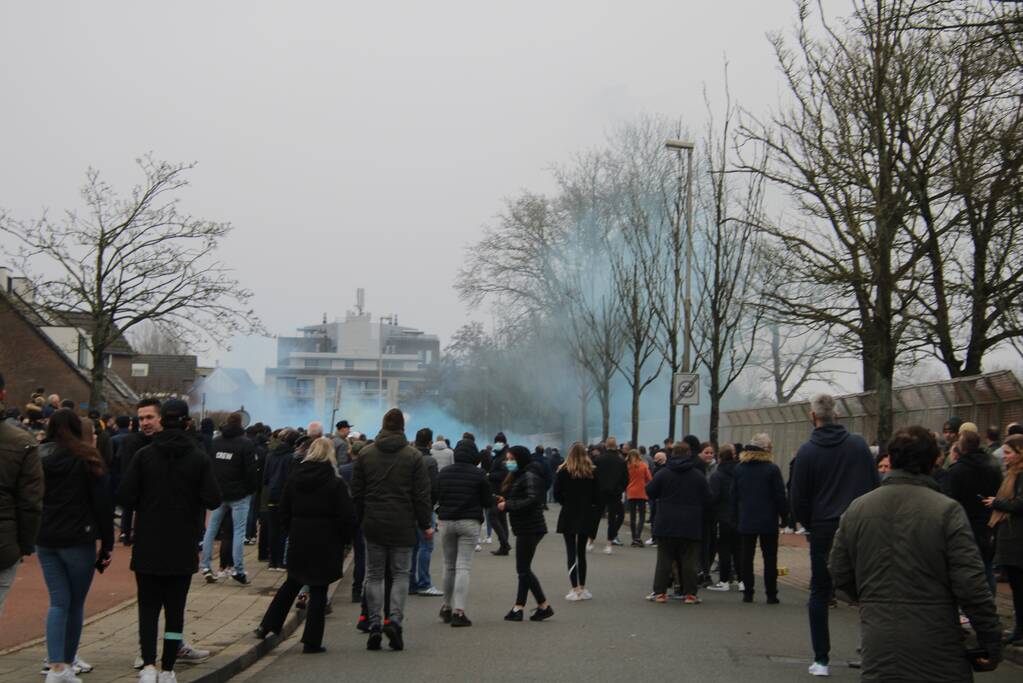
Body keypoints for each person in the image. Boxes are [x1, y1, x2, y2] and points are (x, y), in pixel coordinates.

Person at [830, 426, 1003, 680]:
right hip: (938, 643)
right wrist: (991, 638)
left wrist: (872, 597)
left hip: (879, 641)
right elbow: (972, 586)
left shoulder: (858, 509)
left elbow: (839, 572)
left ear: (891, 458)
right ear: (934, 460)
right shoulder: (947, 511)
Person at [117, 399, 221, 683]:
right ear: (188, 422)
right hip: (182, 543)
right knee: (175, 610)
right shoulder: (199, 458)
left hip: (149, 542)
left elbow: (125, 495)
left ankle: (148, 666)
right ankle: (168, 669)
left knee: (148, 608)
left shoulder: (144, 455)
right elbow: (213, 498)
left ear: (163, 420)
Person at [789, 394, 880, 678]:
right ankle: (871, 653)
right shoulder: (858, 445)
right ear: (837, 415)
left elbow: (798, 497)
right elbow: (874, 485)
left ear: (812, 416)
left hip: (824, 527)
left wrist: (810, 523)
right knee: (870, 590)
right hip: (860, 524)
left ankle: (821, 659)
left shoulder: (806, 452)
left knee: (820, 590)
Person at [34, 410, 113, 683]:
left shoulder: (38, 455)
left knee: (58, 602)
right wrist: (108, 544)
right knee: (75, 603)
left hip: (45, 538)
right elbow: (102, 503)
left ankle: (55, 667)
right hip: (79, 538)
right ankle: (67, 663)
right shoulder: (87, 458)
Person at [255, 438, 354, 652]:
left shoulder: (295, 477)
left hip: (300, 537)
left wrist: (291, 530)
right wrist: (344, 539)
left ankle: (267, 625)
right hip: (326, 540)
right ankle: (311, 641)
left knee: (291, 583)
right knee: (319, 589)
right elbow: (346, 515)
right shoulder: (335, 483)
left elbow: (284, 509)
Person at [352, 409, 433, 652]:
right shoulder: (413, 456)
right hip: (403, 523)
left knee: (374, 574)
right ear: (402, 428)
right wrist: (425, 524)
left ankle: (374, 624)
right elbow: (421, 495)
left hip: (373, 522)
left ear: (383, 425)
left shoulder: (365, 454)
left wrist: (359, 520)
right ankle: (394, 621)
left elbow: (357, 493)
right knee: (400, 574)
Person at [0, 370, 44, 620]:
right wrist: (25, 545)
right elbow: (30, 501)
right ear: (3, 394)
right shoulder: (22, 443)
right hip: (3, 545)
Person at [436, 438, 492, 627]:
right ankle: (459, 612)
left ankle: (446, 606)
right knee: (463, 567)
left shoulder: (444, 473)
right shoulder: (479, 474)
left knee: (448, 565)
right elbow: (486, 501)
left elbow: (434, 496)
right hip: (469, 521)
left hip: (446, 521)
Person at [646, 442, 711, 604]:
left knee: (664, 559)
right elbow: (708, 498)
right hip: (691, 523)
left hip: (666, 521)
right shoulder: (697, 475)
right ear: (689, 454)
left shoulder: (664, 473)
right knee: (690, 560)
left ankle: (660, 593)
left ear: (672, 454)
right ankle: (690, 594)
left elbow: (650, 491)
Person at [200, 412, 257, 585]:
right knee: (239, 531)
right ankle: (238, 569)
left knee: (211, 528)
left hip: (219, 492)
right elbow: (250, 471)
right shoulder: (246, 444)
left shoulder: (216, 442)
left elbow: (210, 466)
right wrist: (249, 490)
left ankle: (206, 566)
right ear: (241, 424)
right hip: (239, 494)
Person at [498, 445, 553, 621]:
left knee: (523, 569)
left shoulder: (528, 476)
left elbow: (531, 499)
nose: (508, 462)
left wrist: (508, 505)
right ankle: (518, 607)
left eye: (511, 459)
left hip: (530, 527)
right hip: (526, 527)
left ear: (520, 459)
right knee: (524, 569)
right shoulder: (520, 476)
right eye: (507, 459)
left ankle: (544, 605)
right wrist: (505, 500)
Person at [947, 429, 1003, 593]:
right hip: (988, 523)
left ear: (961, 448)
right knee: (986, 567)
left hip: (964, 523)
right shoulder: (992, 466)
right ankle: (989, 602)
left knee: (964, 568)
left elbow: (953, 498)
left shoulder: (957, 470)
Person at [733, 434, 786, 605]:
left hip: (746, 518)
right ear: (764, 449)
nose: (771, 449)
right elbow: (780, 496)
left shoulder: (740, 469)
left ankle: (748, 592)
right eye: (770, 446)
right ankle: (771, 594)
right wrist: (784, 517)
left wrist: (735, 516)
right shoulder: (772, 469)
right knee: (770, 557)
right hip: (768, 519)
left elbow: (733, 495)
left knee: (746, 557)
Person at [984, 433, 1023, 646]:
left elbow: (1019, 504)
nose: (1004, 457)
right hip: (1013, 537)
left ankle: (1020, 630)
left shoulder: (1020, 476)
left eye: (1008, 453)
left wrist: (998, 503)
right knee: (1017, 586)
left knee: (1019, 587)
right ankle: (1019, 628)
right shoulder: (1012, 473)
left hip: (1017, 539)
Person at [554, 443, 601, 601]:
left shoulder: (564, 471)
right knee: (581, 553)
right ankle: (583, 587)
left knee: (570, 551)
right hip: (586, 514)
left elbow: (556, 493)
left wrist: (566, 503)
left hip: (568, 513)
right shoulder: (591, 472)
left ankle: (574, 588)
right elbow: (597, 495)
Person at [117, 399, 163, 546]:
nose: (144, 423)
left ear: (161, 418)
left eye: (149, 417)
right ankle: (125, 531)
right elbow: (126, 473)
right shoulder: (130, 442)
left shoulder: (172, 444)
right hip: (141, 506)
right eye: (141, 419)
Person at [409, 427, 442, 597]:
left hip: (408, 509)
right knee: (426, 546)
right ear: (430, 443)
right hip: (425, 508)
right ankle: (424, 583)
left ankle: (411, 583)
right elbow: (434, 488)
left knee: (413, 547)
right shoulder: (430, 461)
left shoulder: (408, 457)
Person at [707, 444, 740, 592]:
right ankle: (742, 580)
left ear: (720, 458)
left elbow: (713, 497)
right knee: (739, 549)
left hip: (722, 516)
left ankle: (724, 580)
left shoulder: (717, 475)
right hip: (739, 515)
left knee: (724, 549)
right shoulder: (740, 472)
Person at [263, 429, 297, 571]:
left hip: (271, 494)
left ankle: (272, 561)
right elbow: (292, 479)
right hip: (285, 496)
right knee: (284, 529)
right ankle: (281, 562)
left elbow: (265, 478)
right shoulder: (291, 457)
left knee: (273, 528)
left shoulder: (270, 455)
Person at [593, 438, 627, 554]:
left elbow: (593, 476)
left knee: (596, 516)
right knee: (612, 518)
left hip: (599, 491)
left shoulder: (599, 459)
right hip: (615, 493)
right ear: (616, 446)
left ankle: (590, 541)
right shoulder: (621, 461)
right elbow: (625, 479)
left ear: (606, 446)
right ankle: (609, 544)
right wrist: (620, 489)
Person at [487, 434, 512, 556]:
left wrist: (489, 476)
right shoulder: (499, 454)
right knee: (502, 519)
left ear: (501, 442)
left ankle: (505, 543)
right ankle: (504, 546)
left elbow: (504, 474)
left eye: (497, 442)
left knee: (492, 516)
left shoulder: (504, 456)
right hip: (500, 490)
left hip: (500, 491)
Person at [625, 449, 652, 547]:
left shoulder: (627, 466)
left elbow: (625, 479)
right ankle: (638, 537)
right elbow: (649, 478)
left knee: (632, 516)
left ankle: (633, 537)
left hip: (631, 492)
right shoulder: (643, 465)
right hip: (642, 492)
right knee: (641, 516)